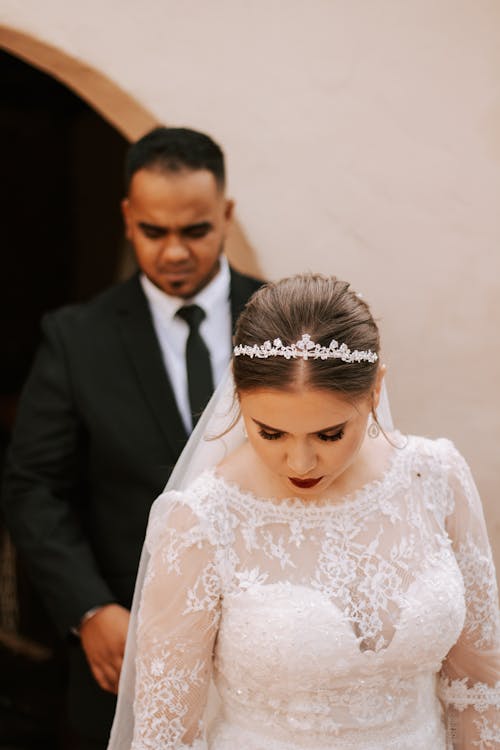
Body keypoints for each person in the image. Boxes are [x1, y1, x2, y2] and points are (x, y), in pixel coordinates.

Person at [108, 273, 500, 749]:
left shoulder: (435, 478)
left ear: (375, 390)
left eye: (329, 434)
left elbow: (479, 684)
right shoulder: (201, 522)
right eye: (271, 433)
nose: (300, 463)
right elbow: (167, 735)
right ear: (237, 394)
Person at [1, 126, 262, 749]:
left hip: (270, 636)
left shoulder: (279, 315)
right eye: (154, 231)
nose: (174, 252)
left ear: (225, 214)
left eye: (195, 230)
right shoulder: (77, 337)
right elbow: (33, 487)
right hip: (128, 644)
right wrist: (90, 611)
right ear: (126, 217)